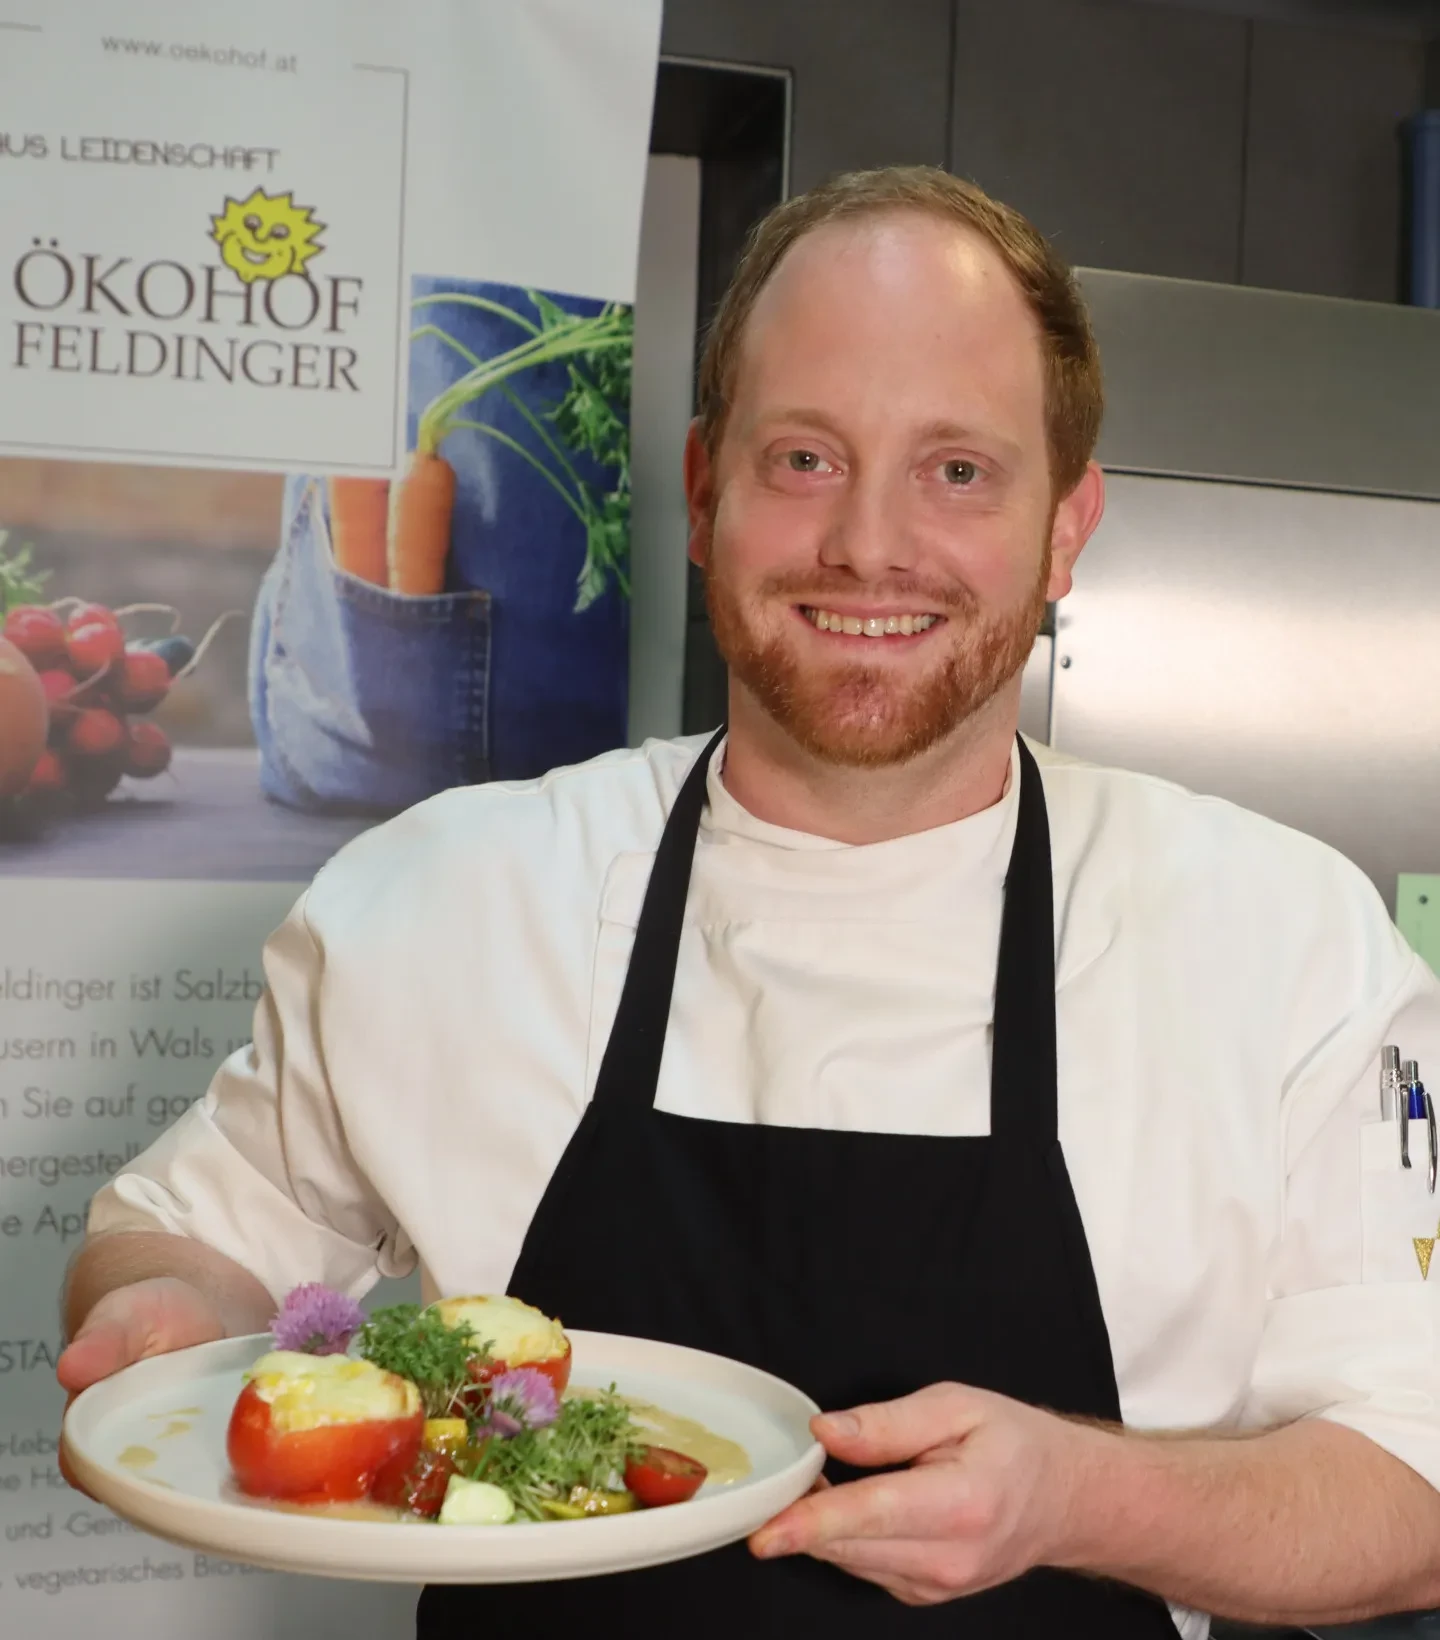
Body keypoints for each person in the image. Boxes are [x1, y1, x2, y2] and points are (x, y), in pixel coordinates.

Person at [58, 166, 1440, 1637]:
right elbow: (186, 1237)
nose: (869, 543)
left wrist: (1089, 1505)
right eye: (805, 459)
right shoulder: (447, 898)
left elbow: (1411, 1496)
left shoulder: (1278, 941)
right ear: (707, 489)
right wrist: (166, 1317)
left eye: (958, 470)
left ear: (1067, 529)